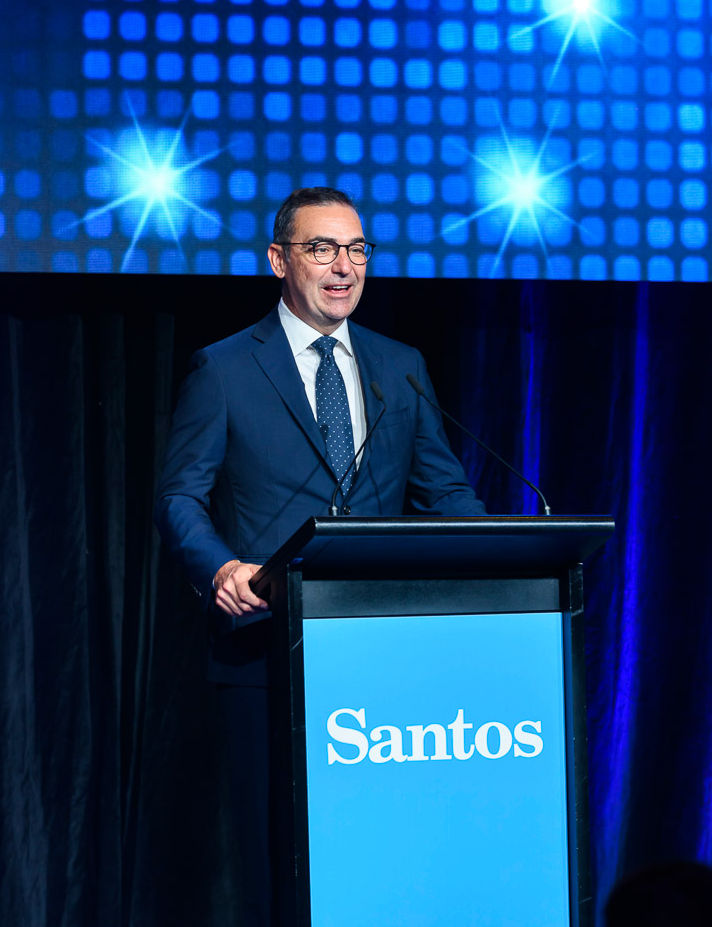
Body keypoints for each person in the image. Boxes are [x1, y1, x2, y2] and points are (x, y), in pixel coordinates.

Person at [155, 186, 486, 925]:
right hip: (267, 649)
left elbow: (444, 492)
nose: (345, 266)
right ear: (280, 260)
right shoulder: (225, 368)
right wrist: (221, 567)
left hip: (382, 651)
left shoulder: (400, 366)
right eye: (323, 248)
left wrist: (501, 557)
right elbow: (179, 496)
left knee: (378, 853)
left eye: (357, 249)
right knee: (282, 865)